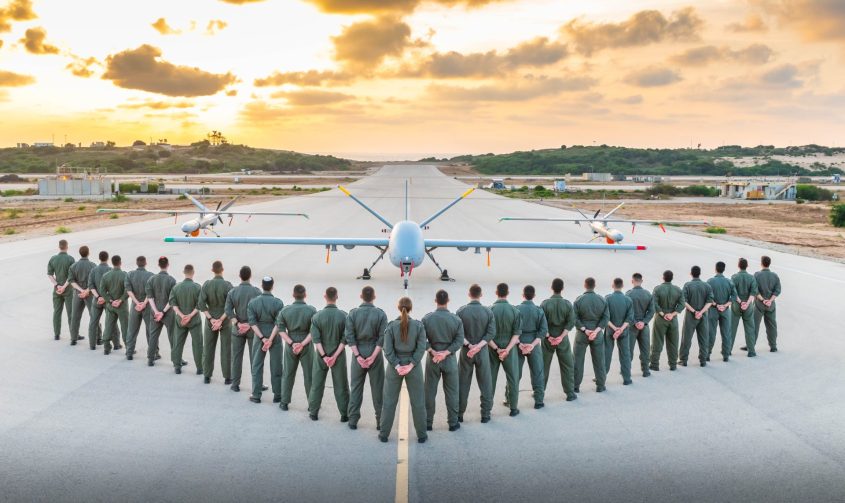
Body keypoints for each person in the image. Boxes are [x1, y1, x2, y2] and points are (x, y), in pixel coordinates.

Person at [379, 297, 428, 444]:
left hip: (395, 368)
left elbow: (387, 349)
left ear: (398, 308)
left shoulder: (391, 326)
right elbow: (421, 348)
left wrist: (397, 365)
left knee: (389, 401)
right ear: (411, 308)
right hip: (414, 367)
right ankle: (421, 435)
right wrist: (411, 364)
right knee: (418, 401)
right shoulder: (419, 326)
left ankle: (384, 434)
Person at [345, 286, 388, 430]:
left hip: (358, 350)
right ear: (374, 297)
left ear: (360, 296)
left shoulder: (353, 314)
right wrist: (373, 356)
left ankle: (353, 421)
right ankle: (379, 422)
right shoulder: (380, 314)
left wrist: (358, 356)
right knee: (378, 389)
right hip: (374, 351)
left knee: (356, 387)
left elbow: (349, 337)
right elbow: (382, 338)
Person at [422, 290, 464, 432]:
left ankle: (428, 423)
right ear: (448, 300)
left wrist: (433, 351)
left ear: (436, 300)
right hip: (449, 359)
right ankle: (453, 423)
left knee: (429, 392)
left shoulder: (427, 319)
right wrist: (446, 352)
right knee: (452, 392)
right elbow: (459, 341)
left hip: (433, 359)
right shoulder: (456, 320)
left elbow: (422, 340)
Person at [307, 287, 350, 422]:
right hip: (338, 354)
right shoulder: (344, 316)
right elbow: (345, 339)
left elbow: (316, 339)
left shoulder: (317, 316)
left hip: (321, 354)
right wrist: (334, 356)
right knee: (341, 385)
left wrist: (325, 356)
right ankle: (344, 414)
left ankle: (313, 412)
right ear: (336, 297)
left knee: (317, 383)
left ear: (325, 296)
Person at [456, 284, 495, 423]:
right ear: (481, 295)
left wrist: (469, 345)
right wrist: (478, 346)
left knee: (463, 383)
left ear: (469, 294)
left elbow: (458, 334)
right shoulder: (488, 312)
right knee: (486, 383)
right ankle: (485, 414)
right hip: (482, 351)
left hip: (466, 352)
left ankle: (459, 414)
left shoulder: (461, 312)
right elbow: (491, 333)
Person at [277, 284, 317, 411]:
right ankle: (312, 404)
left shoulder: (285, 311)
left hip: (291, 344)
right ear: (305, 295)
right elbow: (314, 332)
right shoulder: (311, 310)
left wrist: (292, 343)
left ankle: (284, 402)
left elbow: (281, 330)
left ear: (293, 295)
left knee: (288, 373)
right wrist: (302, 343)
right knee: (309, 375)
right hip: (306, 343)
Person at [224, 266, 262, 391]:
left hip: (238, 329)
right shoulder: (256, 292)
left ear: (240, 276)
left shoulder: (233, 292)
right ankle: (257, 385)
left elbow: (228, 310)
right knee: (255, 358)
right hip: (252, 329)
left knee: (236, 358)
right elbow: (260, 311)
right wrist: (250, 324)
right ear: (250, 276)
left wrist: (237, 323)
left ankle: (235, 384)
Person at [247, 277, 284, 403]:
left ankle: (256, 395)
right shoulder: (278, 303)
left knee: (256, 365)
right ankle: (278, 395)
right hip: (275, 336)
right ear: (272, 286)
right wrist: (270, 339)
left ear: (262, 286)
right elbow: (279, 324)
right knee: (276, 366)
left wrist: (263, 339)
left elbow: (252, 323)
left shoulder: (253, 302)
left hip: (259, 335)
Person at [540, 278, 577, 402]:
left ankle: (539, 394)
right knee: (567, 366)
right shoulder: (567, 304)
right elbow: (571, 322)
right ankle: (570, 393)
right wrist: (561, 337)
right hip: (563, 339)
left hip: (547, 339)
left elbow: (541, 323)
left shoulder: (545, 304)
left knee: (543, 366)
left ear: (552, 288)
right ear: (562, 289)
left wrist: (549, 336)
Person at [489, 283, 521, 417]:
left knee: (490, 379)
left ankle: (487, 411)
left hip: (492, 348)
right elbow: (517, 334)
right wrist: (507, 350)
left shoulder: (489, 310)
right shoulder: (515, 311)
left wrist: (497, 349)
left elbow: (487, 335)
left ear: (496, 292)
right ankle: (513, 408)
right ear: (507, 293)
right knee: (513, 378)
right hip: (510, 348)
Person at [199, 261, 234, 385]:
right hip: (225, 320)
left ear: (212, 270)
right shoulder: (228, 285)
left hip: (211, 320)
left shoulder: (207, 285)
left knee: (208, 348)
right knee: (226, 349)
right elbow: (231, 305)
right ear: (222, 269)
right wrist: (221, 320)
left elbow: (201, 304)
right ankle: (227, 377)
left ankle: (207, 376)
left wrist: (211, 319)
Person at [512, 285, 547, 409]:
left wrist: (520, 344)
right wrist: (532, 345)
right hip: (534, 343)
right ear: (534, 296)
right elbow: (543, 331)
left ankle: (510, 399)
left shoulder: (516, 310)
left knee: (515, 372)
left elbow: (513, 330)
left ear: (523, 295)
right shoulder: (539, 310)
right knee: (537, 371)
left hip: (519, 342)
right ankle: (539, 400)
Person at [573, 277, 609, 393]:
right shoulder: (602, 300)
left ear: (585, 285)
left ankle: (576, 386)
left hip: (582, 334)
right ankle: (601, 385)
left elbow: (574, 318)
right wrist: (596, 330)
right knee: (599, 360)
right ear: (594, 285)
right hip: (597, 334)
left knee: (578, 361)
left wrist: (585, 330)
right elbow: (606, 317)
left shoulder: (579, 300)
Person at [170, 264, 203, 375]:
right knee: (197, 344)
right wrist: (190, 316)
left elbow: (173, 304)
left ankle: (177, 366)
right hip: (194, 321)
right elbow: (200, 305)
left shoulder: (176, 287)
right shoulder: (198, 287)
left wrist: (182, 315)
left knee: (178, 342)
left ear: (184, 272)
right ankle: (199, 368)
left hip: (180, 320)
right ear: (193, 273)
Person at [649, 270, 685, 371]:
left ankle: (654, 364)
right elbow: (682, 304)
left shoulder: (658, 289)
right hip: (673, 319)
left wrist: (663, 314)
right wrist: (672, 314)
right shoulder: (677, 290)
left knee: (657, 341)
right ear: (672, 278)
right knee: (673, 342)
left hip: (661, 318)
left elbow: (654, 304)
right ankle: (673, 365)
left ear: (663, 277)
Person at [680, 266, 714, 367]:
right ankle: (703, 360)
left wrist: (694, 311)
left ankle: (683, 360)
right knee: (703, 338)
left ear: (691, 273)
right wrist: (701, 312)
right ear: (700, 273)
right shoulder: (707, 286)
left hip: (691, 315)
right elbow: (710, 301)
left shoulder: (687, 285)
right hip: (703, 315)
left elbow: (684, 301)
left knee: (686, 338)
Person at [146, 256, 177, 366]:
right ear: (167, 265)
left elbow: (150, 298)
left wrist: (156, 312)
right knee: (173, 336)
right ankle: (176, 361)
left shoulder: (151, 279)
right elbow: (172, 299)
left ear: (158, 265)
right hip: (168, 313)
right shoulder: (172, 280)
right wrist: (163, 312)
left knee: (153, 335)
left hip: (155, 312)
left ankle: (151, 358)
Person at [604, 278, 633, 385]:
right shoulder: (628, 300)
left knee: (606, 353)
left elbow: (605, 317)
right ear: (622, 286)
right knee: (625, 354)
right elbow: (630, 318)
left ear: (613, 285)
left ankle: (602, 377)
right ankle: (627, 379)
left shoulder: (607, 299)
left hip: (610, 331)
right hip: (624, 331)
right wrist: (621, 329)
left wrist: (614, 328)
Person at [124, 256, 154, 360]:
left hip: (135, 306)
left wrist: (137, 303)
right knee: (151, 330)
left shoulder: (130, 274)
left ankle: (129, 352)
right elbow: (150, 292)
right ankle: (154, 353)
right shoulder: (151, 276)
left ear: (137, 263)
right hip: (147, 306)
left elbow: (128, 290)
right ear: (145, 263)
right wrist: (144, 303)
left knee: (132, 329)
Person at [707, 261, 736, 363]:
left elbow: (708, 297)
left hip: (713, 310)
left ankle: (707, 354)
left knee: (711, 332)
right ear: (724, 269)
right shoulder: (729, 282)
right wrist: (725, 305)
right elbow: (734, 297)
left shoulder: (710, 281)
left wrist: (716, 304)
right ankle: (726, 355)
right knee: (726, 333)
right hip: (725, 311)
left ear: (716, 269)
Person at [626, 273, 654, 377]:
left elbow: (626, 312)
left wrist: (634, 322)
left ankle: (627, 371)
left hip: (632, 327)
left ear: (632, 281)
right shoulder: (648, 294)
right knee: (645, 349)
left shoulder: (628, 295)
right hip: (644, 326)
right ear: (642, 281)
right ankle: (645, 371)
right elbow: (652, 311)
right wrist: (643, 322)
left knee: (628, 350)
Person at [100, 255, 128, 355]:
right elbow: (127, 291)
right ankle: (128, 349)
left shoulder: (106, 276)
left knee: (108, 326)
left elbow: (102, 291)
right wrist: (120, 300)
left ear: (112, 263)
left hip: (110, 306)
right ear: (120, 262)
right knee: (125, 327)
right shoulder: (125, 275)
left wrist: (111, 301)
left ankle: (106, 347)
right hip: (122, 306)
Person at [47, 239, 75, 341]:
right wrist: (64, 287)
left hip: (57, 290)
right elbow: (72, 277)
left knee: (57, 312)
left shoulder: (53, 259)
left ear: (59, 247)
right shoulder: (71, 259)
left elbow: (50, 274)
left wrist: (57, 285)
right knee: (71, 312)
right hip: (68, 290)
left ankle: (57, 334)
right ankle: (74, 334)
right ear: (67, 247)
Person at [731, 258, 758, 357]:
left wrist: (740, 302)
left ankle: (728, 350)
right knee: (750, 328)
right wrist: (746, 303)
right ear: (747, 266)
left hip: (736, 305)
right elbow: (753, 292)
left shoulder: (734, 277)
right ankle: (751, 351)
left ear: (738, 265)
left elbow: (733, 292)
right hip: (748, 305)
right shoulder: (751, 278)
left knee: (732, 328)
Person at [754, 255, 782, 353]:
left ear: (761, 263)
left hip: (759, 304)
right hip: (771, 305)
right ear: (769, 264)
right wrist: (770, 300)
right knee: (772, 325)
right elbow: (778, 290)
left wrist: (763, 300)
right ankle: (773, 346)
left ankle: (751, 345)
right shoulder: (775, 276)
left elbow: (754, 290)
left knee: (755, 325)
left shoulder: (757, 275)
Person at [68, 246, 95, 346]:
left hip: (77, 294)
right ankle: (97, 337)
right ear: (88, 253)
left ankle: (73, 338)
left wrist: (81, 290)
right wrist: (86, 290)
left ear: (80, 253)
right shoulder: (93, 265)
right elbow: (94, 282)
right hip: (89, 293)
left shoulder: (73, 266)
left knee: (75, 315)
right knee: (94, 315)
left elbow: (71, 281)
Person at [86, 251, 111, 350]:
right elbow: (112, 288)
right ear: (107, 258)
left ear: (99, 258)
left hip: (96, 300)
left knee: (93, 322)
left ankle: (92, 345)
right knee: (110, 322)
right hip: (107, 300)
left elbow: (90, 285)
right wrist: (105, 297)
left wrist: (98, 297)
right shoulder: (110, 270)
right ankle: (112, 344)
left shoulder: (94, 270)